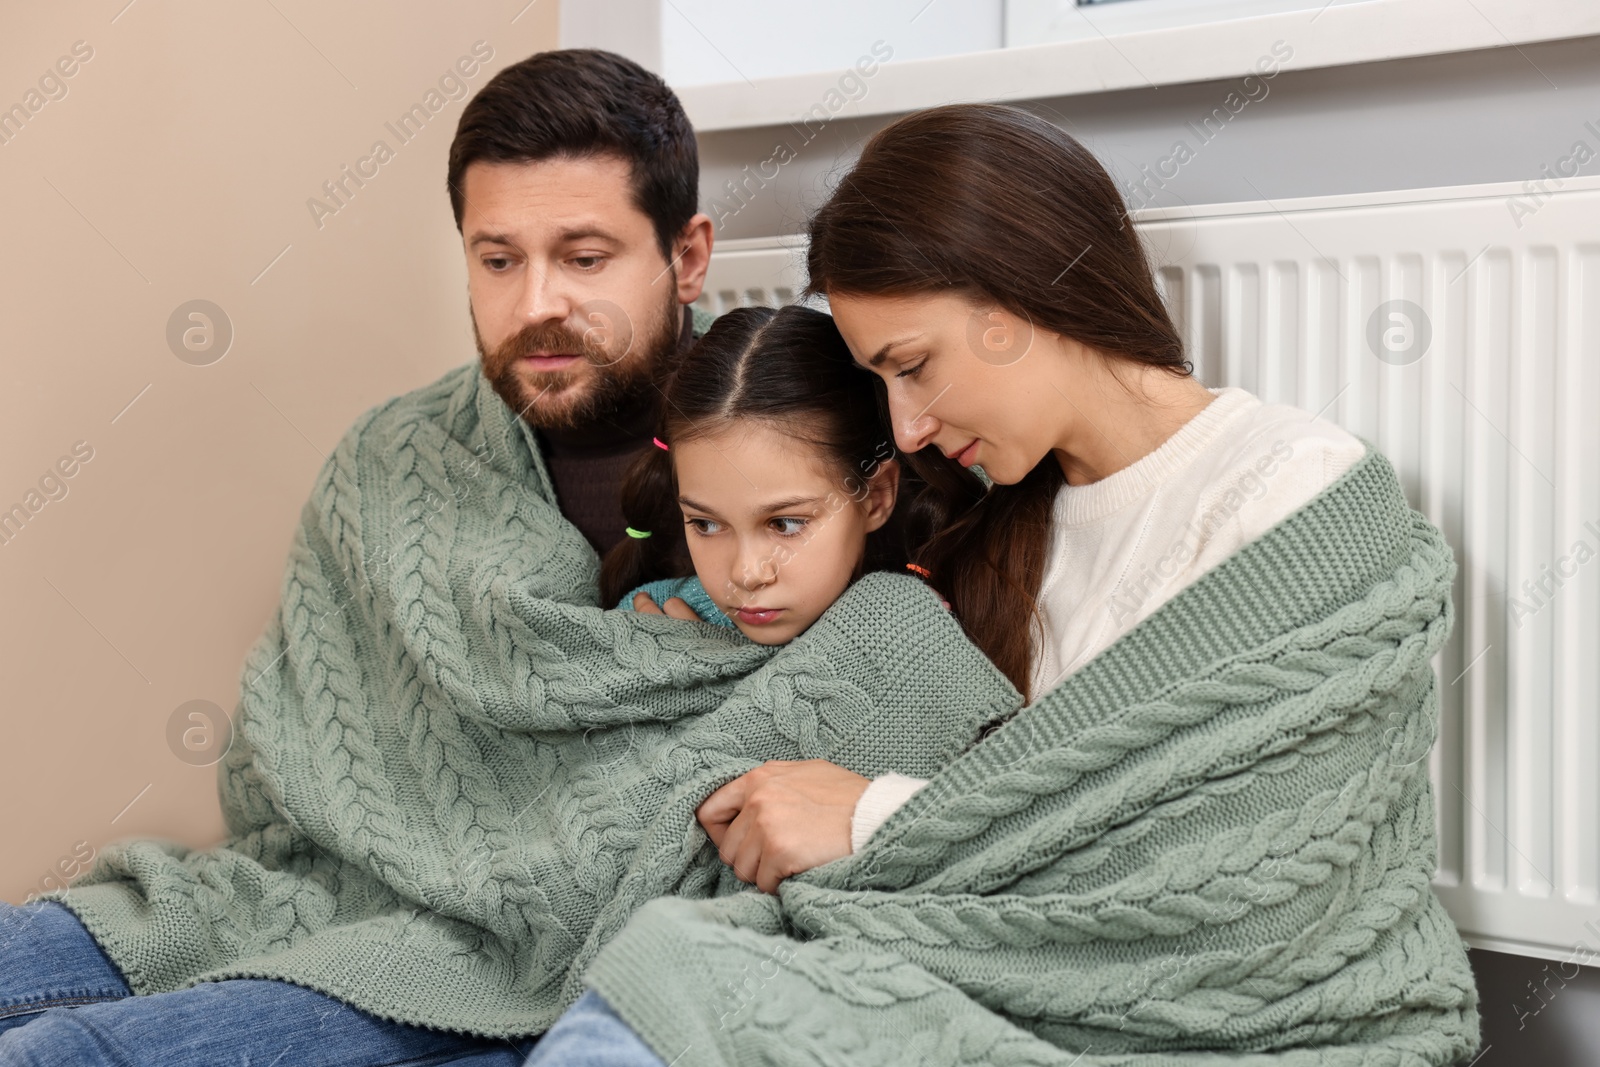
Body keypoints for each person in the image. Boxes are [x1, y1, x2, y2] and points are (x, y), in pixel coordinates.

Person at [527, 102, 1446, 1066]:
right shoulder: (987, 527)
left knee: (684, 981)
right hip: (973, 975)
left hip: (1212, 1014)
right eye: (882, 383)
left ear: (1024, 299)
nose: (909, 425)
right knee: (673, 960)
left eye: (914, 366)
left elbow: (1254, 871)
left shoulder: (1298, 493)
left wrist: (873, 815)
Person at [0, 48, 718, 1066]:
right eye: (498, 258)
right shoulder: (392, 458)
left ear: (686, 256)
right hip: (291, 892)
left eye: (585, 256)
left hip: (515, 957)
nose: (535, 305)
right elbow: (276, 780)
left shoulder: (793, 468)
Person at [601, 302, 951, 645]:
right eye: (705, 524)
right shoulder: (643, 623)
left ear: (875, 498)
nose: (746, 575)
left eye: (785, 524)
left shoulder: (936, 627)